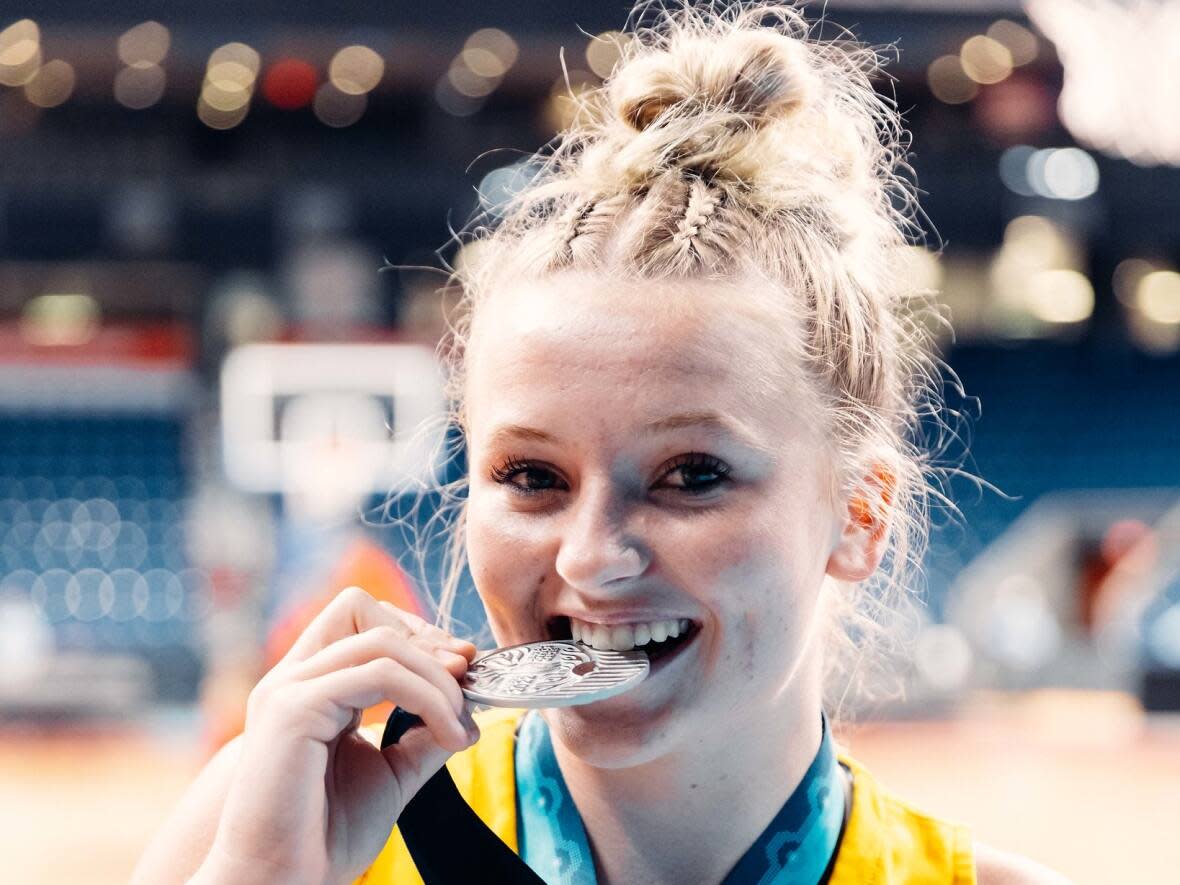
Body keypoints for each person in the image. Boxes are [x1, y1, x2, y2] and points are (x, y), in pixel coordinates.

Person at [132, 2, 1071, 883]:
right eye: (531, 475)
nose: (591, 556)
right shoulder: (272, 831)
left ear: (860, 513)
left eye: (691, 475)